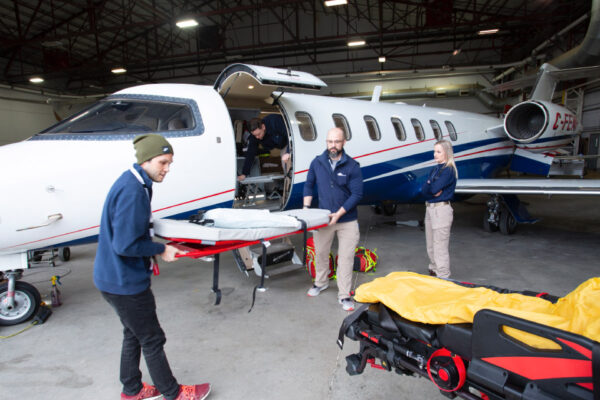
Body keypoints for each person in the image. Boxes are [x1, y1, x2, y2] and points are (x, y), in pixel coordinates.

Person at [93, 134, 211, 400]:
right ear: (145, 160)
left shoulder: (135, 182)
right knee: (152, 338)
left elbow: (132, 229)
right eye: (162, 162)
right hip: (125, 283)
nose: (167, 169)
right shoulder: (133, 191)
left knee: (133, 333)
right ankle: (173, 393)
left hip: (111, 278)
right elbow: (125, 244)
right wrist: (162, 248)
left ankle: (132, 389)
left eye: (169, 163)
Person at [303, 127, 363, 311]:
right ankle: (321, 282)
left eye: (337, 142)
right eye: (330, 141)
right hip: (323, 219)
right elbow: (309, 184)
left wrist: (339, 214)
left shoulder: (352, 166)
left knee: (345, 258)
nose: (333, 145)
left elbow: (357, 194)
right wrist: (306, 209)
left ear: (344, 142)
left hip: (347, 221)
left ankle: (344, 295)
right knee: (320, 253)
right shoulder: (317, 162)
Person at [421, 139, 458, 279]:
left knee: (440, 246)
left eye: (438, 152)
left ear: (447, 153)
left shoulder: (448, 170)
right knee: (430, 244)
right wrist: (430, 185)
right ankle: (434, 269)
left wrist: (431, 185)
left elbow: (434, 188)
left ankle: (443, 276)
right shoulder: (435, 169)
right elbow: (424, 190)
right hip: (430, 209)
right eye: (434, 151)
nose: (435, 155)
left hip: (441, 211)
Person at [237, 114, 290, 181]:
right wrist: (244, 174)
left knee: (287, 165)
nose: (257, 137)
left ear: (263, 127)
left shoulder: (275, 121)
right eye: (255, 135)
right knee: (285, 167)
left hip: (290, 141)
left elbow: (290, 135)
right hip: (280, 145)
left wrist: (288, 152)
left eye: (259, 134)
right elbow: (251, 153)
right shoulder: (254, 137)